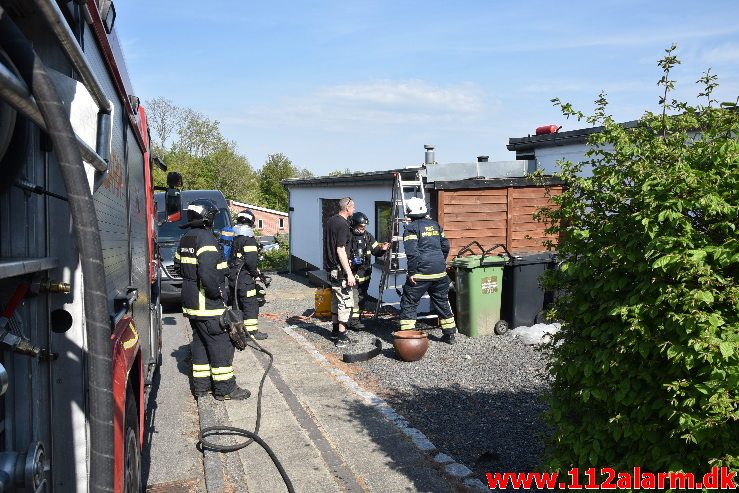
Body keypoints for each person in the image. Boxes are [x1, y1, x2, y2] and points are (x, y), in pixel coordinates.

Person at [174, 199, 251, 400]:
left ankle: (201, 387)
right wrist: (218, 293)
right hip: (207, 304)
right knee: (220, 345)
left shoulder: (186, 238)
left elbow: (177, 265)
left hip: (191, 303)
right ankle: (225, 388)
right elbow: (208, 274)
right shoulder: (207, 239)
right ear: (207, 217)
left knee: (199, 343)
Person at [398, 197, 458, 344]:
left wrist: (412, 273)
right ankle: (450, 335)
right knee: (442, 301)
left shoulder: (411, 229)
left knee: (409, 302)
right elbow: (445, 247)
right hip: (440, 273)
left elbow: (412, 254)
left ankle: (407, 337)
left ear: (409, 213)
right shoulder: (436, 226)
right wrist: (439, 262)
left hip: (420, 274)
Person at [228, 209, 268, 341]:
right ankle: (251, 332)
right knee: (250, 303)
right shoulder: (248, 239)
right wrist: (256, 274)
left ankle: (237, 331)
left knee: (236, 303)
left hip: (232, 275)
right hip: (244, 277)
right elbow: (251, 262)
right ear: (250, 222)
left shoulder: (232, 236)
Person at [323, 197, 356, 347]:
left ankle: (335, 330)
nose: (354, 210)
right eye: (353, 207)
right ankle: (342, 337)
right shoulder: (343, 224)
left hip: (331, 268)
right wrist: (349, 273)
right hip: (339, 270)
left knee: (336, 300)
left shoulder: (331, 221)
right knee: (345, 302)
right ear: (347, 208)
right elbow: (340, 249)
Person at [347, 211, 389, 328]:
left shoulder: (368, 236)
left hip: (365, 274)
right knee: (354, 299)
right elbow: (343, 254)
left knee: (362, 298)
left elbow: (376, 251)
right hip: (353, 275)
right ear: (354, 225)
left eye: (364, 226)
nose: (363, 229)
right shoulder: (348, 237)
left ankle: (358, 319)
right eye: (361, 227)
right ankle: (353, 322)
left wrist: (383, 249)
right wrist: (351, 262)